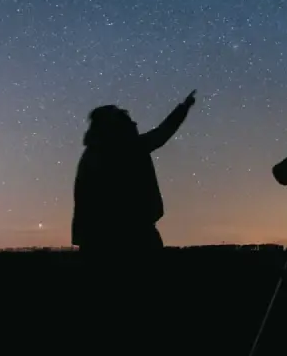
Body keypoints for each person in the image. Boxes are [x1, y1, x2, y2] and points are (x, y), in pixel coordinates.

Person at [72, 89, 198, 257]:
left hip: (102, 237)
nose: (134, 123)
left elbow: (82, 200)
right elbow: (162, 134)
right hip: (131, 235)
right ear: (114, 127)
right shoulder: (125, 148)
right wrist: (184, 108)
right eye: (128, 121)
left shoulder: (95, 154)